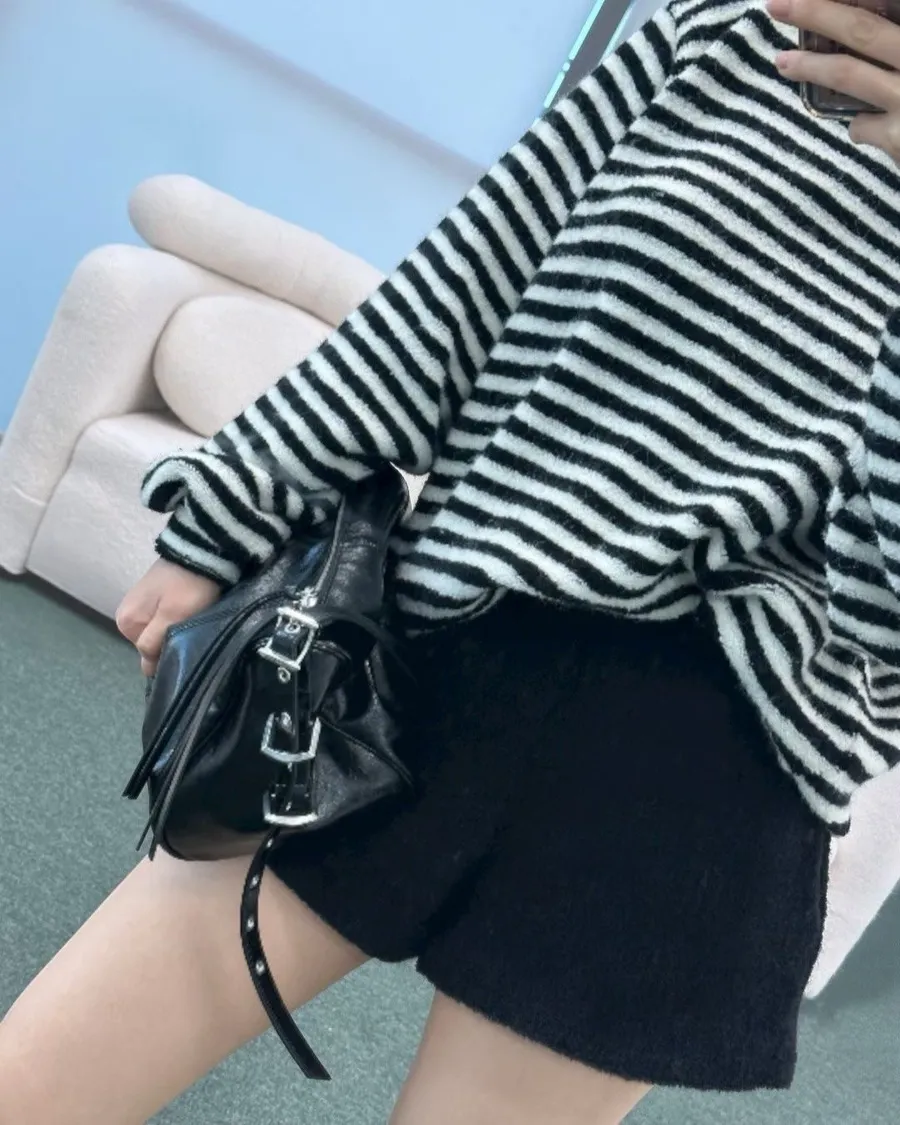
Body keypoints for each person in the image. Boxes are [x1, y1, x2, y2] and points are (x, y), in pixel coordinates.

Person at [3, 0, 900, 1121]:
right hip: (436, 649)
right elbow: (454, 297)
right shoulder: (711, 36)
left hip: (712, 771)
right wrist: (233, 504)